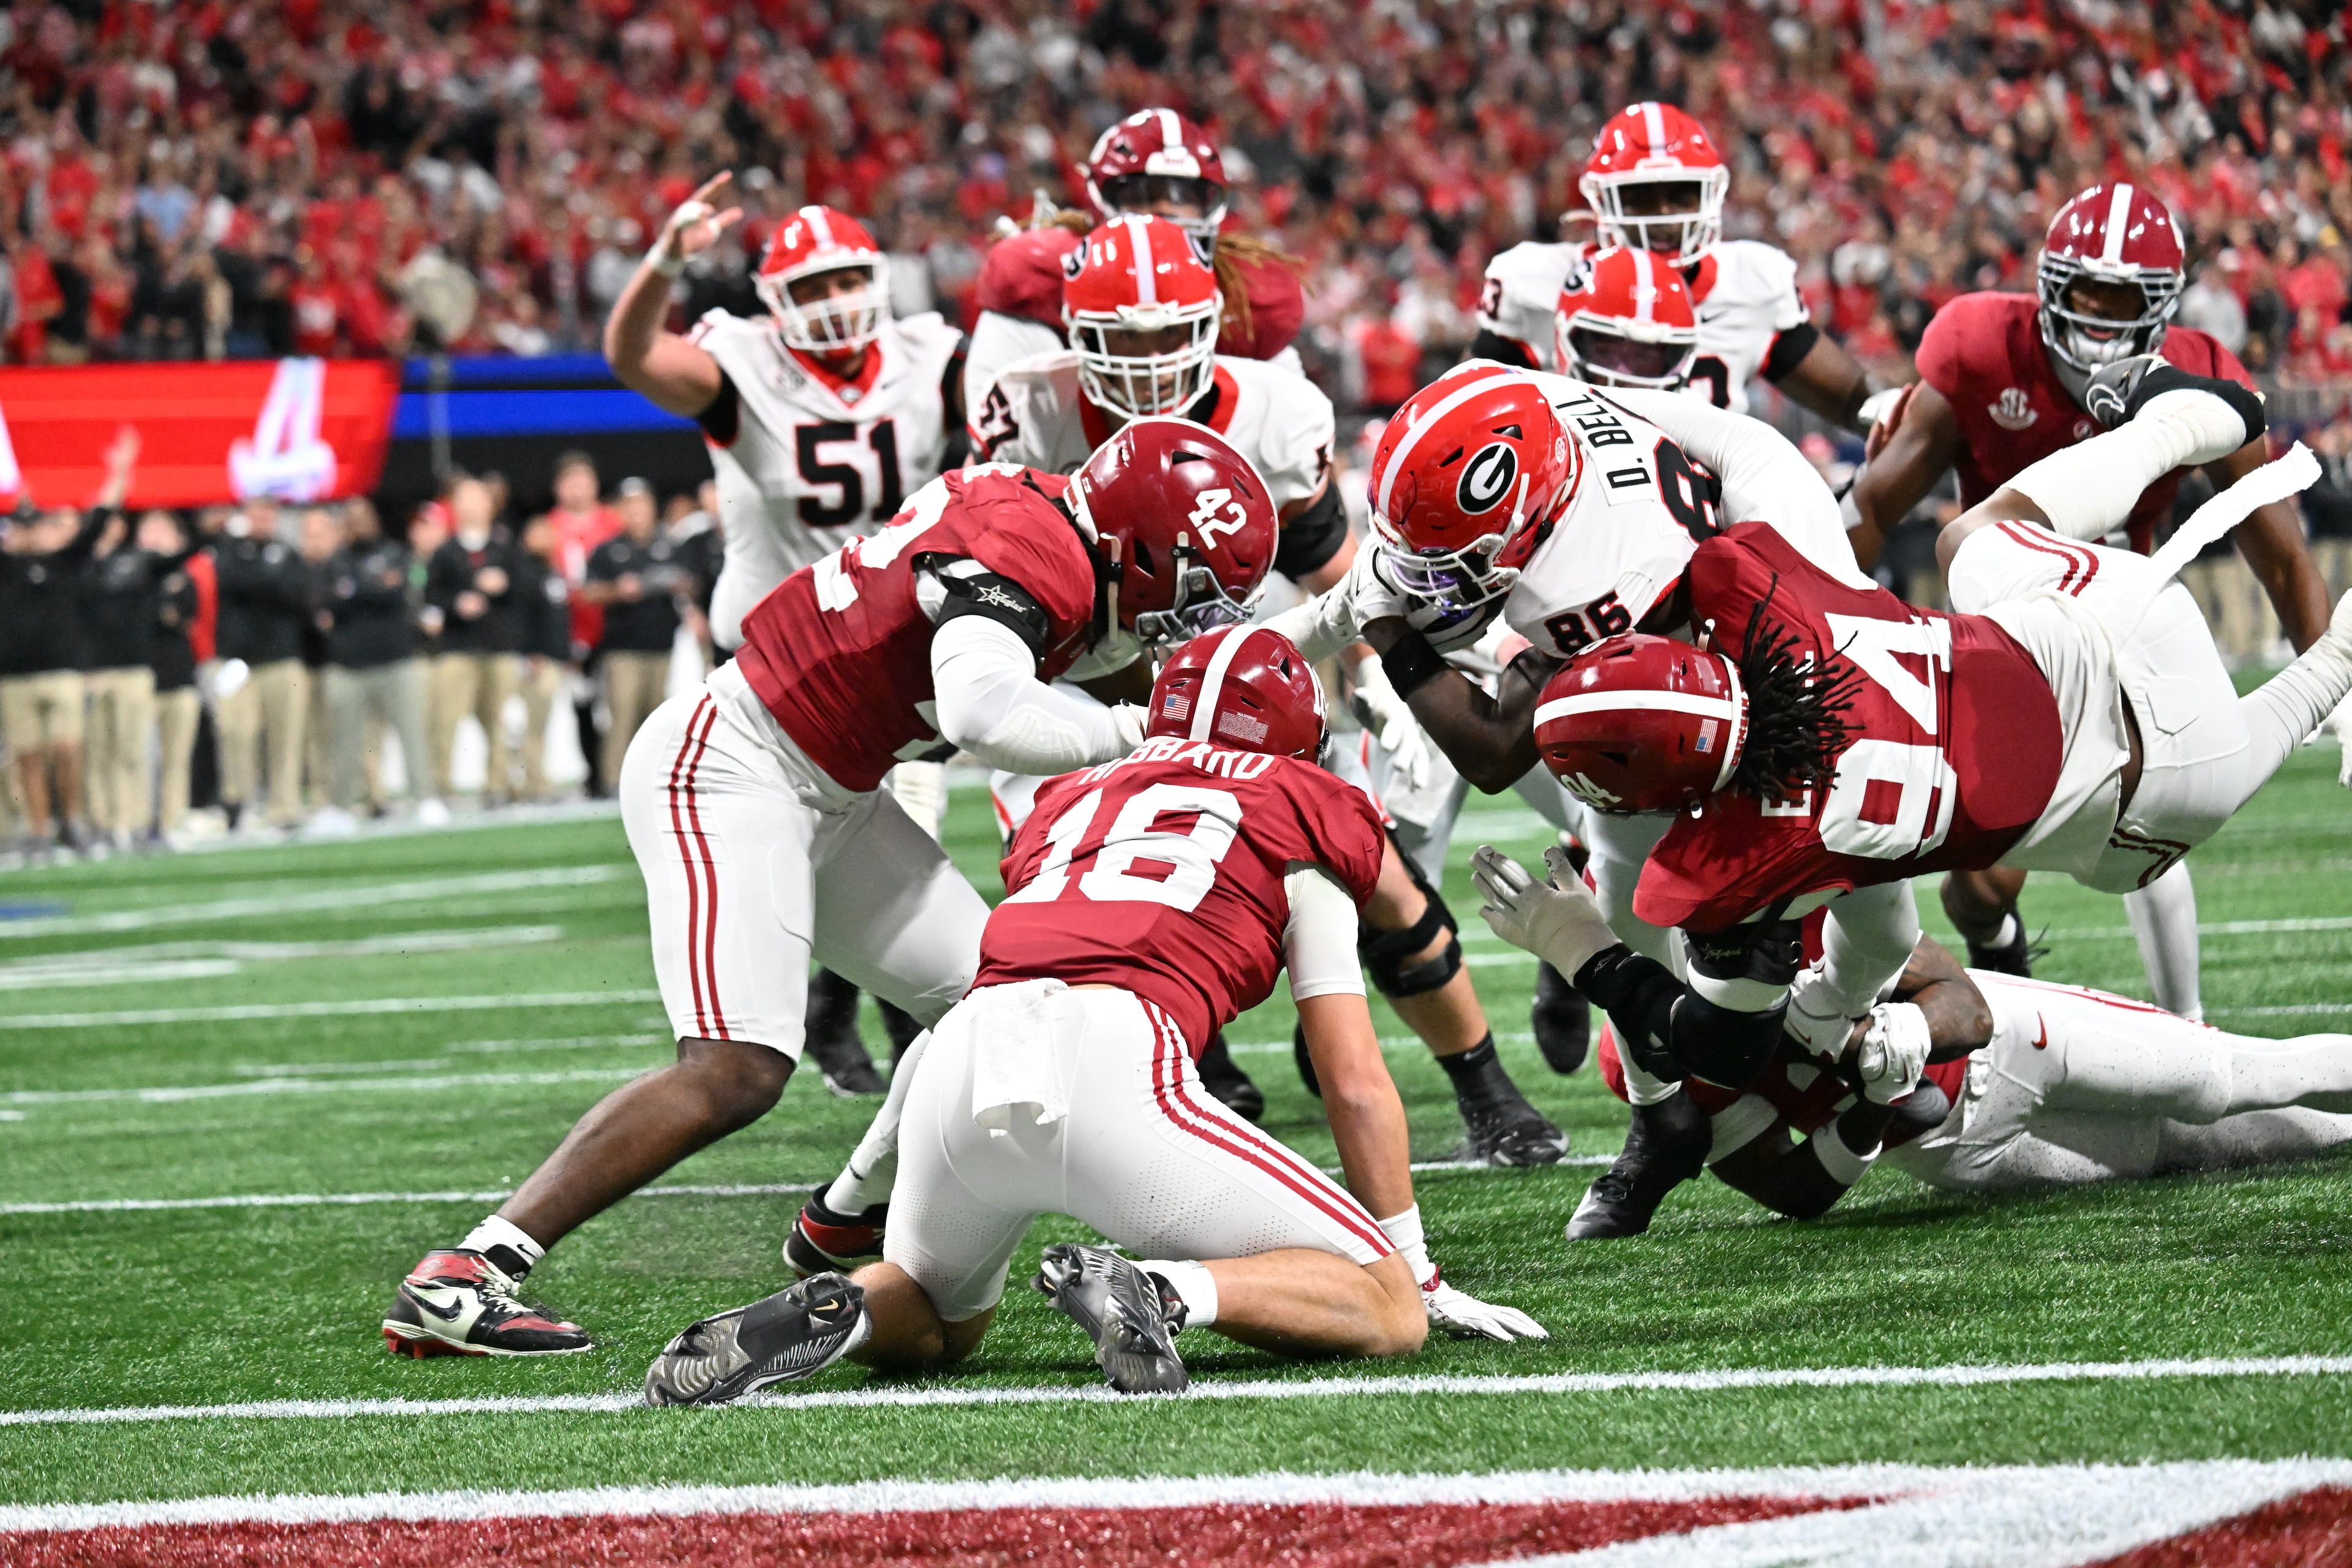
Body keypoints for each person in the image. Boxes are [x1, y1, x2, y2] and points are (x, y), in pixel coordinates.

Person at [383, 417, 1280, 1358]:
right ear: (1137, 544)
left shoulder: (1057, 525)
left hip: (833, 787)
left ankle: (844, 1215)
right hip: (734, 762)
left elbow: (1156, 672)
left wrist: (1340, 620)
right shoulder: (1038, 549)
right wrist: (1133, 731)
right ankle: (467, 1274)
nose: (1189, 614)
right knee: (735, 1070)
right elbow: (984, 712)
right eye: (1191, 588)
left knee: (1000, 1005)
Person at [1484, 363, 2352, 1237]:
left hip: (2153, 806)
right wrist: (1585, 398)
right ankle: (2183, 425)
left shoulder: (1761, 851)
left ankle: (2342, 655)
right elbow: (1746, 445)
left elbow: (1727, 1032)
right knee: (1974, 542)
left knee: (2214, 1072)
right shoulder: (1754, 590)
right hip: (2112, 625)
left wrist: (1589, 952)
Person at [641, 627, 1540, 1404]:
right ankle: (1159, 1289)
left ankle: (848, 1309)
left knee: (937, 1324)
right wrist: (1416, 1272)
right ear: (1299, 739)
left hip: (965, 1051)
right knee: (1385, 1307)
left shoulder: (1075, 798)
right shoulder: (1305, 805)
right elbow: (1350, 1076)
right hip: (1118, 1063)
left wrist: (850, 1195)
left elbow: (1010, 970)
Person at [962, 214, 1561, 1164]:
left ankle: (1483, 1082)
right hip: (1090, 687)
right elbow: (1021, 584)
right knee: (1095, 911)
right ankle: (1182, 1073)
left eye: (1172, 335)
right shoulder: (1023, 409)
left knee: (1380, 884)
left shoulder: (1274, 409)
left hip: (1248, 671)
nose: (1154, 362)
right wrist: (1133, 721)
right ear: (1076, 336)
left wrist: (1369, 675)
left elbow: (1329, 559)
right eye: (1129, 339)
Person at [1260, 360, 1866, 1221]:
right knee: (1628, 886)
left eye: (1453, 563)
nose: (1425, 577)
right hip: (1719, 556)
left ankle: (1859, 1036)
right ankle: (1662, 1121)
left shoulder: (1587, 580)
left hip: (1749, 686)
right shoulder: (1516, 408)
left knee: (1711, 918)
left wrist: (1390, 630)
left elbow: (1497, 749)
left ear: (1535, 520)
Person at [1848, 184, 2333, 1013]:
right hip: (2004, 636)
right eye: (2084, 297)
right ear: (2048, 287)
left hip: (2130, 626)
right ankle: (1999, 957)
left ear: (2161, 309)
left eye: (2122, 304)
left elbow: (2280, 552)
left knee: (2155, 815)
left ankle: (2190, 1033)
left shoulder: (2199, 373)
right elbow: (1869, 512)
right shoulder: (1980, 346)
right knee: (1976, 888)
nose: (2099, 324)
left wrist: (2334, 681)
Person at [1588, 936, 2352, 1223]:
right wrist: (1873, 1107)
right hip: (1952, 1150)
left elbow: (1967, 1005)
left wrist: (1908, 1033)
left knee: (2222, 1080)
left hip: (2016, 1044)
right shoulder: (1644, 1059)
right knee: (2192, 1153)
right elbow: (1789, 1190)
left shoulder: (1790, 918)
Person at [609, 193, 965, 654]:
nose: (834, 304)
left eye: (848, 283)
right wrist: (666, 260)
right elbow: (633, 356)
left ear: (876, 281)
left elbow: (1015, 415)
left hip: (890, 634)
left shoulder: (927, 354)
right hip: (769, 645)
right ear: (778, 298)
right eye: (813, 289)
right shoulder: (744, 360)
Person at [1472, 102, 1886, 431]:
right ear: (1601, 200)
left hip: (1709, 520)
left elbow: (1857, 402)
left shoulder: (1749, 282)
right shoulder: (1534, 283)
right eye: (1642, 198)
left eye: (1681, 195)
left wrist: (1903, 414)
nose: (1664, 216)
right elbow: (1464, 411)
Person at [963, 107, 1306, 414]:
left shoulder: (1248, 296)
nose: (1167, 209)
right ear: (1099, 198)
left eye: (1185, 195)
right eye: (1141, 193)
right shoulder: (1042, 274)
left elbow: (1292, 428)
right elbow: (997, 432)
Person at [318, 497, 437, 827]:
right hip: (349, 666)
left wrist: (356, 593)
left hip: (396, 661)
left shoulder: (396, 554)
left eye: (364, 516)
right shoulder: (335, 562)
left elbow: (398, 594)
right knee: (344, 741)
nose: (359, 524)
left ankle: (426, 799)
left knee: (413, 734)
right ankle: (340, 806)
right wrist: (373, 590)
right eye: (352, 518)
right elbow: (329, 601)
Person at [581, 477, 692, 791]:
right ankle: (613, 783)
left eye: (642, 504)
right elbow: (587, 592)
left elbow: (691, 581)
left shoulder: (669, 545)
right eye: (630, 505)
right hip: (622, 649)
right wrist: (619, 590)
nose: (638, 511)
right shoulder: (608, 550)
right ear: (621, 510)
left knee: (658, 719)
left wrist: (674, 582)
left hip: (662, 645)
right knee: (622, 716)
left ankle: (657, 781)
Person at [211, 497, 315, 834]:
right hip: (237, 661)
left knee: (286, 737)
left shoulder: (288, 553)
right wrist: (268, 580)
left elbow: (299, 593)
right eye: (257, 514)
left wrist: (262, 581)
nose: (263, 520)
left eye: (269, 514)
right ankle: (238, 803)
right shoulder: (229, 550)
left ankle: (283, 808)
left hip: (283, 658)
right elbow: (230, 580)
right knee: (235, 732)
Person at [423, 477, 524, 805]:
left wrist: (505, 584)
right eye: (462, 499)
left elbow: (528, 592)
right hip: (457, 647)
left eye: (476, 498)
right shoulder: (445, 552)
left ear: (489, 504)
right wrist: (456, 604)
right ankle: (442, 787)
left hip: (498, 646)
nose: (469, 506)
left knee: (498, 720)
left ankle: (496, 786)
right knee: (447, 718)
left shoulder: (506, 548)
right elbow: (431, 596)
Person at [534, 451, 620, 794]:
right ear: (559, 488)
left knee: (618, 706)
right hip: (571, 630)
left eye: (584, 482)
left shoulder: (613, 523)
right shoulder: (547, 529)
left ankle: (617, 775)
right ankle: (594, 776)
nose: (578, 489)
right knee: (583, 705)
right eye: (571, 482)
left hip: (614, 629)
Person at [145, 511, 203, 843]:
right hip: (145, 681)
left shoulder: (184, 575)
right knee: (140, 760)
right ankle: (141, 822)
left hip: (180, 677)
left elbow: (184, 614)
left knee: (176, 758)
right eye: (150, 528)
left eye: (162, 529)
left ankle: (173, 820)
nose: (154, 536)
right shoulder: (132, 574)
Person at [512, 514, 575, 803]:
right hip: (538, 659)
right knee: (534, 723)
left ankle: (532, 782)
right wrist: (530, 654)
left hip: (553, 657)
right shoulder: (525, 572)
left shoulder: (552, 570)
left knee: (541, 722)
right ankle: (535, 784)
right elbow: (523, 618)